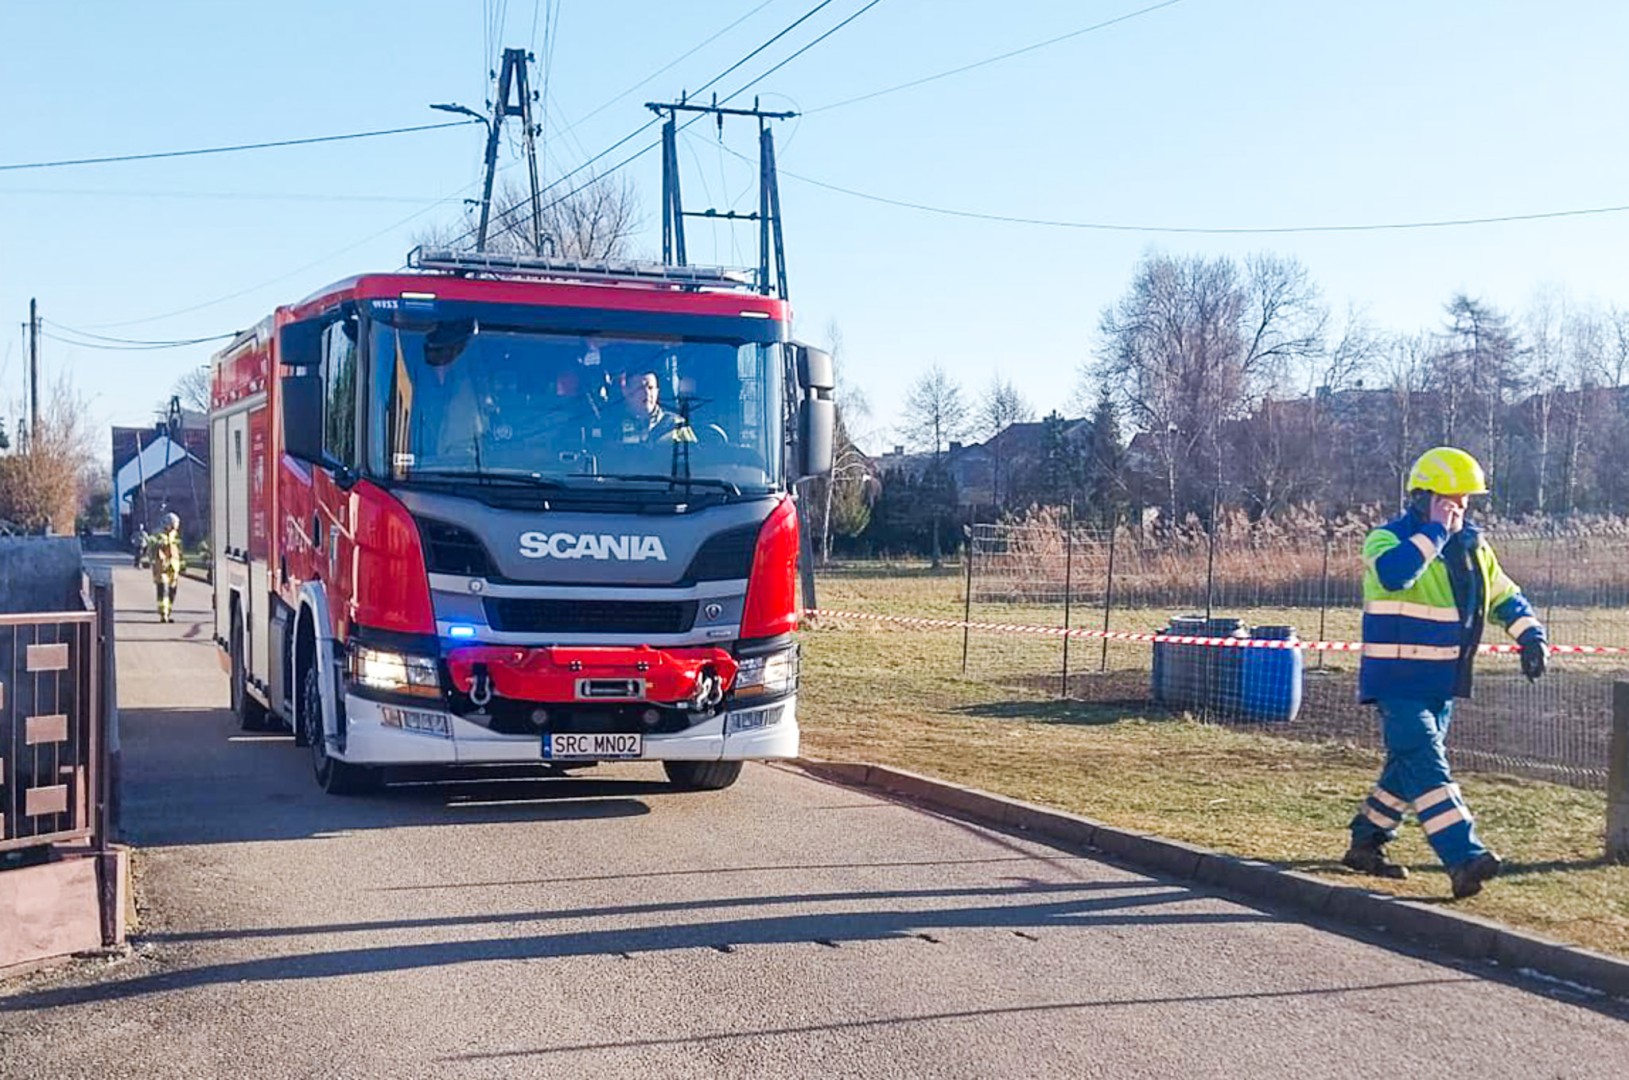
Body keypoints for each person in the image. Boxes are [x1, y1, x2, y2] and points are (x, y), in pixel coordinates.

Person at [1343, 447, 1548, 899]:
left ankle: (1366, 841)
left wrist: (1531, 636)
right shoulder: (1386, 539)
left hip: (1441, 683)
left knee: (1406, 767)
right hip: (1396, 682)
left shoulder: (1473, 547)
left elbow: (1504, 595)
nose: (1460, 508)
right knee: (1428, 765)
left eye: (1466, 499)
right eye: (1450, 499)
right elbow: (1395, 575)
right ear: (1424, 497)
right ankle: (1463, 857)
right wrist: (1435, 531)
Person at [149, 512, 184, 623]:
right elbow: (152, 545)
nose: (175, 526)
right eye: (174, 524)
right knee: (163, 590)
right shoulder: (158, 534)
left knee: (172, 591)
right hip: (161, 566)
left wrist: (182, 565)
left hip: (173, 567)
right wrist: (158, 544)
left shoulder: (176, 535)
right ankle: (163, 614)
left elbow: (180, 551)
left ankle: (168, 613)